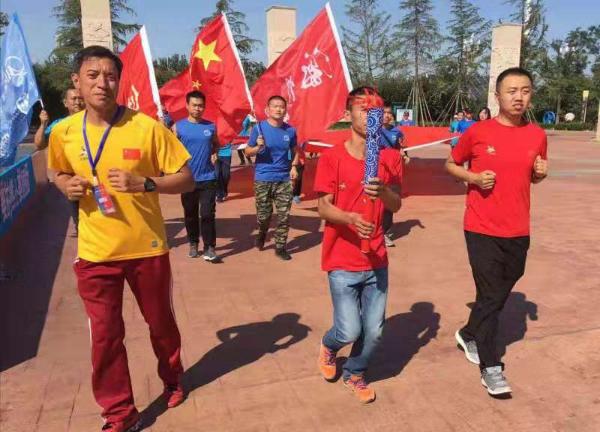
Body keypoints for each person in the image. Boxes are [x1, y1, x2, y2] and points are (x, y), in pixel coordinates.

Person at [47, 45, 194, 432]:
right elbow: (55, 172)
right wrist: (66, 185)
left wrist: (144, 182)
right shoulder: (63, 132)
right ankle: (119, 413)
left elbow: (187, 178)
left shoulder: (145, 127)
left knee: (161, 324)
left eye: (110, 75)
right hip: (95, 253)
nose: (102, 82)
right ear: (77, 82)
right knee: (106, 337)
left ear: (119, 81)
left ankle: (173, 376)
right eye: (93, 75)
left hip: (147, 249)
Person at [445, 67, 548, 397]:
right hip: (481, 226)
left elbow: (529, 176)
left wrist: (540, 175)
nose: (519, 97)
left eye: (525, 90)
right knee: (490, 294)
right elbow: (451, 164)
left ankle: (468, 331)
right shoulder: (478, 131)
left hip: (518, 227)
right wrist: (472, 179)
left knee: (506, 283)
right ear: (498, 95)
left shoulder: (537, 135)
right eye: (512, 91)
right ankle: (491, 367)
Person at [315, 87, 403, 403]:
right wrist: (351, 218)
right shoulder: (331, 157)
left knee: (374, 330)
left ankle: (355, 372)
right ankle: (329, 345)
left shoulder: (389, 157)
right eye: (364, 110)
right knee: (348, 330)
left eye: (376, 111)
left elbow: (396, 205)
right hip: (341, 257)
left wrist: (383, 194)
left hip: (377, 257)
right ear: (347, 114)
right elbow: (323, 207)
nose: (370, 117)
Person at [245, 95, 299, 261]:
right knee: (264, 216)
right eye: (275, 106)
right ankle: (262, 233)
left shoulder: (290, 131)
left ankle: (280, 246)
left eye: (281, 106)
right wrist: (258, 146)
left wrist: (294, 166)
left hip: (283, 179)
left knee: (284, 216)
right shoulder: (259, 129)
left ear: (285, 110)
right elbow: (248, 151)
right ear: (267, 110)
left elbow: (295, 151)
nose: (278, 109)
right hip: (263, 178)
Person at [173, 90, 220, 262]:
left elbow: (216, 144)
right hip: (187, 179)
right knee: (190, 213)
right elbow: (171, 149)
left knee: (207, 214)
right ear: (187, 106)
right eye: (194, 105)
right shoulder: (178, 127)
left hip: (207, 177)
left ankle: (210, 247)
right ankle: (193, 242)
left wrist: (215, 153)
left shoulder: (211, 126)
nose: (198, 108)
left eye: (201, 105)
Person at [34, 87, 85, 236]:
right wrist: (43, 124)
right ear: (65, 103)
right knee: (79, 216)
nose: (77, 102)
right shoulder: (59, 124)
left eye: (80, 98)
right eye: (73, 99)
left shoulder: (96, 120)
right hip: (72, 177)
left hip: (96, 175)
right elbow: (39, 144)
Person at [380, 101, 406, 247]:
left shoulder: (397, 132)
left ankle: (386, 233)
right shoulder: (373, 130)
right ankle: (373, 232)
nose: (387, 115)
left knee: (389, 203)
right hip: (377, 170)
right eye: (384, 113)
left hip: (392, 172)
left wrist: (404, 154)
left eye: (389, 113)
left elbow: (401, 147)